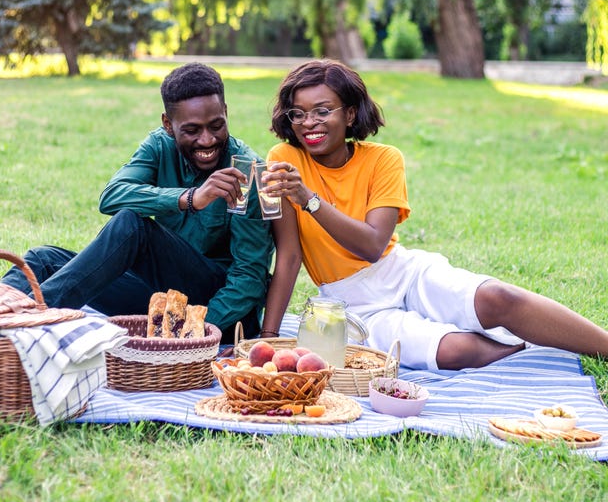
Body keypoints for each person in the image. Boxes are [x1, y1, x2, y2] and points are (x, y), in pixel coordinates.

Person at [258, 58, 608, 370]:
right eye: (298, 113)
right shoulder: (284, 159)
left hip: (400, 271)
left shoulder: (383, 158)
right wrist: (269, 337)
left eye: (323, 110)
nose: (309, 123)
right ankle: (524, 345)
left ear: (350, 114)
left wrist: (309, 198)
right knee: (454, 351)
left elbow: (372, 246)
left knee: (499, 298)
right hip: (352, 305)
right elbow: (289, 256)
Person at [2, 62, 274, 343]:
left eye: (216, 125)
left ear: (226, 113)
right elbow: (112, 195)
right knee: (41, 260)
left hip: (219, 313)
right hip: (163, 300)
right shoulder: (159, 145)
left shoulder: (248, 171)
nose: (207, 139)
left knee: (132, 225)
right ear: (168, 125)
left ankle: (33, 322)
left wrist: (193, 330)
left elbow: (249, 278)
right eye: (192, 130)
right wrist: (189, 198)